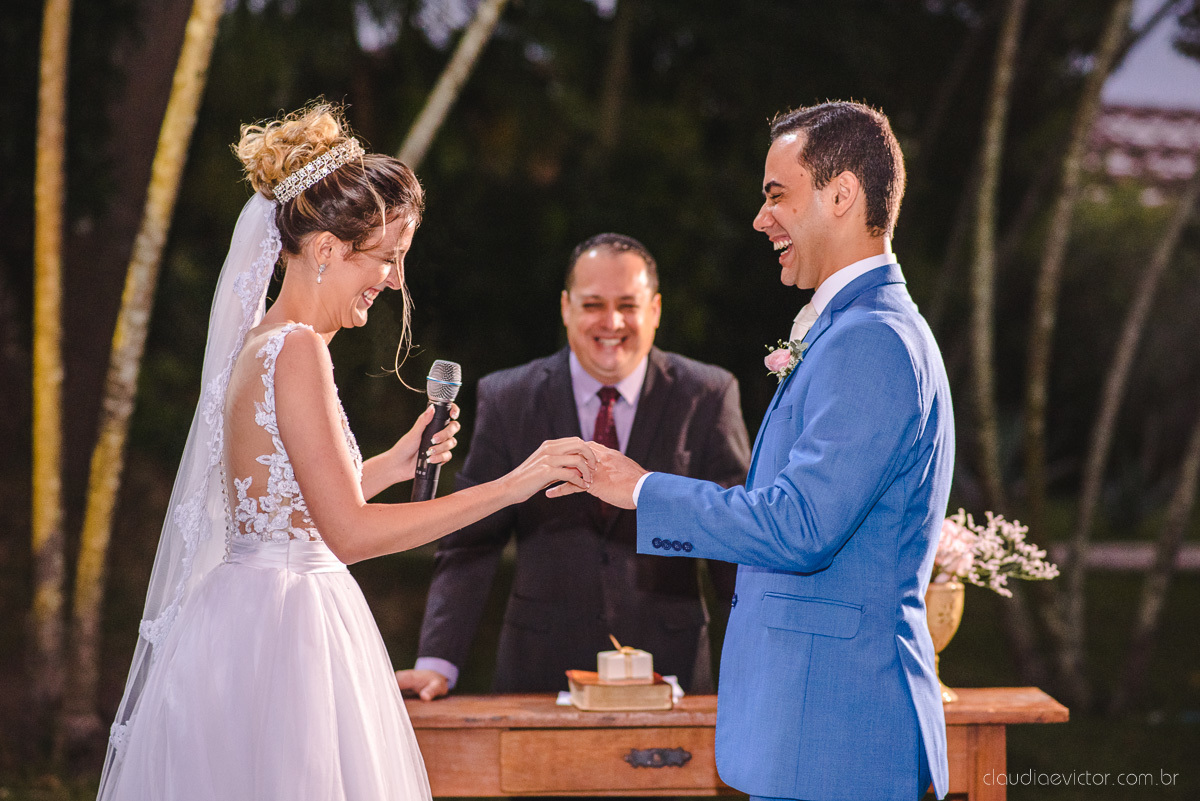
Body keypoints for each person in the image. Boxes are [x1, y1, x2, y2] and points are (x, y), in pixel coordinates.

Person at [97, 104, 595, 801]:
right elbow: (349, 533)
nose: (393, 280)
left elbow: (284, 505)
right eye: (387, 258)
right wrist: (515, 484)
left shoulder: (265, 344)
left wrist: (392, 464)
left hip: (243, 619)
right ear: (327, 248)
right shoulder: (297, 349)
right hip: (288, 638)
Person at [585, 102, 954, 801]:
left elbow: (800, 527)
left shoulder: (873, 340)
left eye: (776, 194)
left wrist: (643, 490)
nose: (762, 218)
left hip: (841, 739)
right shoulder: (851, 330)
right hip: (809, 732)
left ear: (841, 194)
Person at [395, 234, 750, 700]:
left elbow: (734, 546)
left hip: (671, 673)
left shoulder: (707, 394)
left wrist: (762, 668)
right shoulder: (509, 398)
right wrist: (436, 662)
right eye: (592, 305)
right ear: (566, 308)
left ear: (656, 309)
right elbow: (470, 544)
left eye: (628, 304)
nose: (612, 322)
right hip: (540, 672)